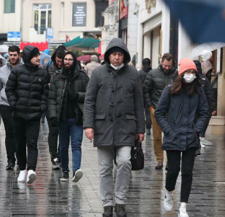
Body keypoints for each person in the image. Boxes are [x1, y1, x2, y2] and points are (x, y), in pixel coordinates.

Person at [83, 38, 145, 217]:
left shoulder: (133, 73)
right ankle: (107, 204)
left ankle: (120, 201)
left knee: (125, 162)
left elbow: (138, 103)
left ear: (124, 56)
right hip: (103, 127)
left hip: (126, 126)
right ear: (108, 56)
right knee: (104, 168)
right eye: (113, 54)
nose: (116, 58)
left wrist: (140, 128)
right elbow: (89, 101)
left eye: (119, 55)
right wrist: (88, 125)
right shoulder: (98, 73)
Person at [155, 58, 209, 217]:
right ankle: (169, 193)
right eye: (188, 72)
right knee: (173, 170)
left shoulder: (199, 91)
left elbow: (205, 112)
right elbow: (159, 112)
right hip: (173, 135)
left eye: (193, 72)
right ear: (181, 73)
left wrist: (197, 130)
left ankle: (183, 207)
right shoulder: (170, 90)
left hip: (190, 137)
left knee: (187, 172)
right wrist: (168, 130)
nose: (190, 75)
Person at [6, 45, 48, 184]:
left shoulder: (42, 73)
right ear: (29, 57)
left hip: (34, 115)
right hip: (18, 114)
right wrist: (14, 104)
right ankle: (22, 169)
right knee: (19, 144)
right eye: (36, 56)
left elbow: (45, 93)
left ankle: (31, 170)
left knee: (32, 142)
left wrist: (42, 107)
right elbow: (9, 89)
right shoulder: (17, 71)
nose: (39, 58)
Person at [48, 51, 89, 182]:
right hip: (62, 117)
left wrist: (78, 96)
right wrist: (53, 116)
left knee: (76, 145)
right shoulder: (56, 77)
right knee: (63, 147)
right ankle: (65, 171)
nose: (67, 61)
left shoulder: (83, 77)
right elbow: (52, 99)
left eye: (70, 59)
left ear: (74, 61)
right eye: (65, 59)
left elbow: (90, 95)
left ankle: (76, 170)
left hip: (77, 117)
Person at [143, 53, 178, 170]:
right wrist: (150, 107)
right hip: (156, 109)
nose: (167, 68)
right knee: (157, 137)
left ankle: (169, 160)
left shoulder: (176, 74)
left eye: (169, 66)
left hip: (172, 110)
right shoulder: (152, 74)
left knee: (170, 135)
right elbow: (145, 90)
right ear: (161, 62)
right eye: (165, 65)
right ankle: (159, 160)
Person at [0, 45, 22, 170]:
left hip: (20, 104)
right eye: (11, 55)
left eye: (15, 55)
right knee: (9, 132)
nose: (13, 57)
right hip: (5, 104)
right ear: (8, 55)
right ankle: (10, 160)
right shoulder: (3, 69)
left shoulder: (24, 68)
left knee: (19, 132)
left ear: (19, 55)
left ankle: (20, 158)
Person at [46, 46, 66, 170]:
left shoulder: (68, 68)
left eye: (61, 61)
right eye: (57, 61)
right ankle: (54, 156)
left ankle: (61, 155)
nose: (59, 63)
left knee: (63, 131)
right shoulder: (49, 69)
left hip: (64, 105)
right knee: (53, 131)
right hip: (51, 104)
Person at [194, 60, 216, 146]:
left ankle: (197, 137)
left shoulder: (194, 78)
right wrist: (212, 107)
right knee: (202, 121)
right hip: (204, 106)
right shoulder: (204, 79)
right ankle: (200, 136)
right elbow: (210, 94)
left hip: (194, 106)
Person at [138, 58, 153, 135]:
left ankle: (140, 128)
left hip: (141, 94)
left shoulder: (140, 73)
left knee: (140, 111)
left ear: (142, 65)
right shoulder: (153, 72)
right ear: (150, 64)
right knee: (148, 112)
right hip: (149, 95)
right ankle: (148, 128)